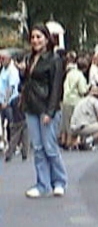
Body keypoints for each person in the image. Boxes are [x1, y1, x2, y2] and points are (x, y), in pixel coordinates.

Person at [20, 24, 68, 198]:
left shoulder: (54, 60)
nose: (35, 40)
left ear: (47, 39)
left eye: (39, 37)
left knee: (50, 147)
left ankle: (59, 181)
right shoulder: (30, 58)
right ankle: (43, 184)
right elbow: (27, 82)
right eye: (33, 37)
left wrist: (50, 111)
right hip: (31, 107)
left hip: (47, 107)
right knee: (38, 148)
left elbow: (56, 87)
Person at [60, 55, 89, 149]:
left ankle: (66, 142)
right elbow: (82, 90)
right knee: (75, 124)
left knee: (67, 124)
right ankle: (73, 143)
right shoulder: (80, 76)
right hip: (76, 101)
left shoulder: (70, 73)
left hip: (66, 100)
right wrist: (88, 88)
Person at [0, 49, 20, 151]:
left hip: (11, 101)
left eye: (3, 58)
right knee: (4, 124)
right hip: (2, 100)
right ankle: (6, 143)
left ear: (8, 58)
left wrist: (5, 101)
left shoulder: (12, 71)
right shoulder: (4, 69)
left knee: (12, 124)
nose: (1, 60)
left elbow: (11, 87)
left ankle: (15, 145)